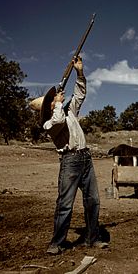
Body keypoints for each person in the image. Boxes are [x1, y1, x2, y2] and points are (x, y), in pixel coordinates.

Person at [30, 56, 108, 255]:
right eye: (50, 101)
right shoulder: (49, 124)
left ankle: (92, 239)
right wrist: (57, 104)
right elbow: (57, 120)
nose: (55, 100)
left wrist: (79, 72)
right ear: (47, 108)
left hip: (85, 158)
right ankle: (56, 243)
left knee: (93, 201)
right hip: (70, 161)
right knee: (65, 204)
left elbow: (80, 95)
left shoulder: (67, 111)